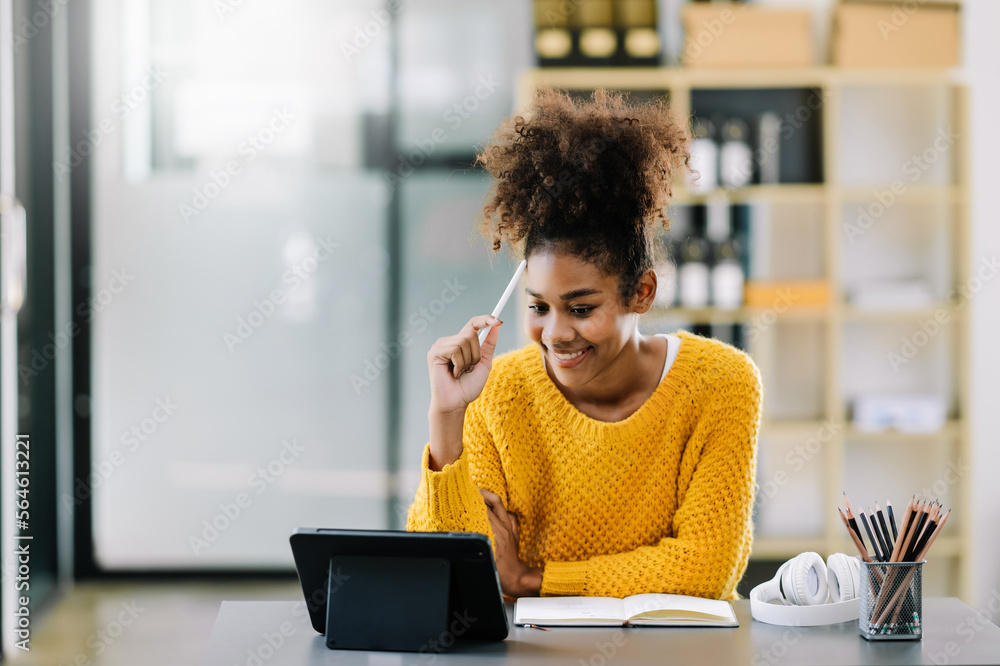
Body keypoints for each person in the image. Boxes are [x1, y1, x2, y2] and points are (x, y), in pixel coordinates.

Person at [405, 87, 762, 600]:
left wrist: (531, 580)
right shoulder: (498, 393)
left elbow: (706, 568)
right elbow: (450, 572)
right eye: (538, 306)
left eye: (581, 308)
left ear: (641, 292)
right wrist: (446, 417)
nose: (555, 334)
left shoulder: (720, 383)